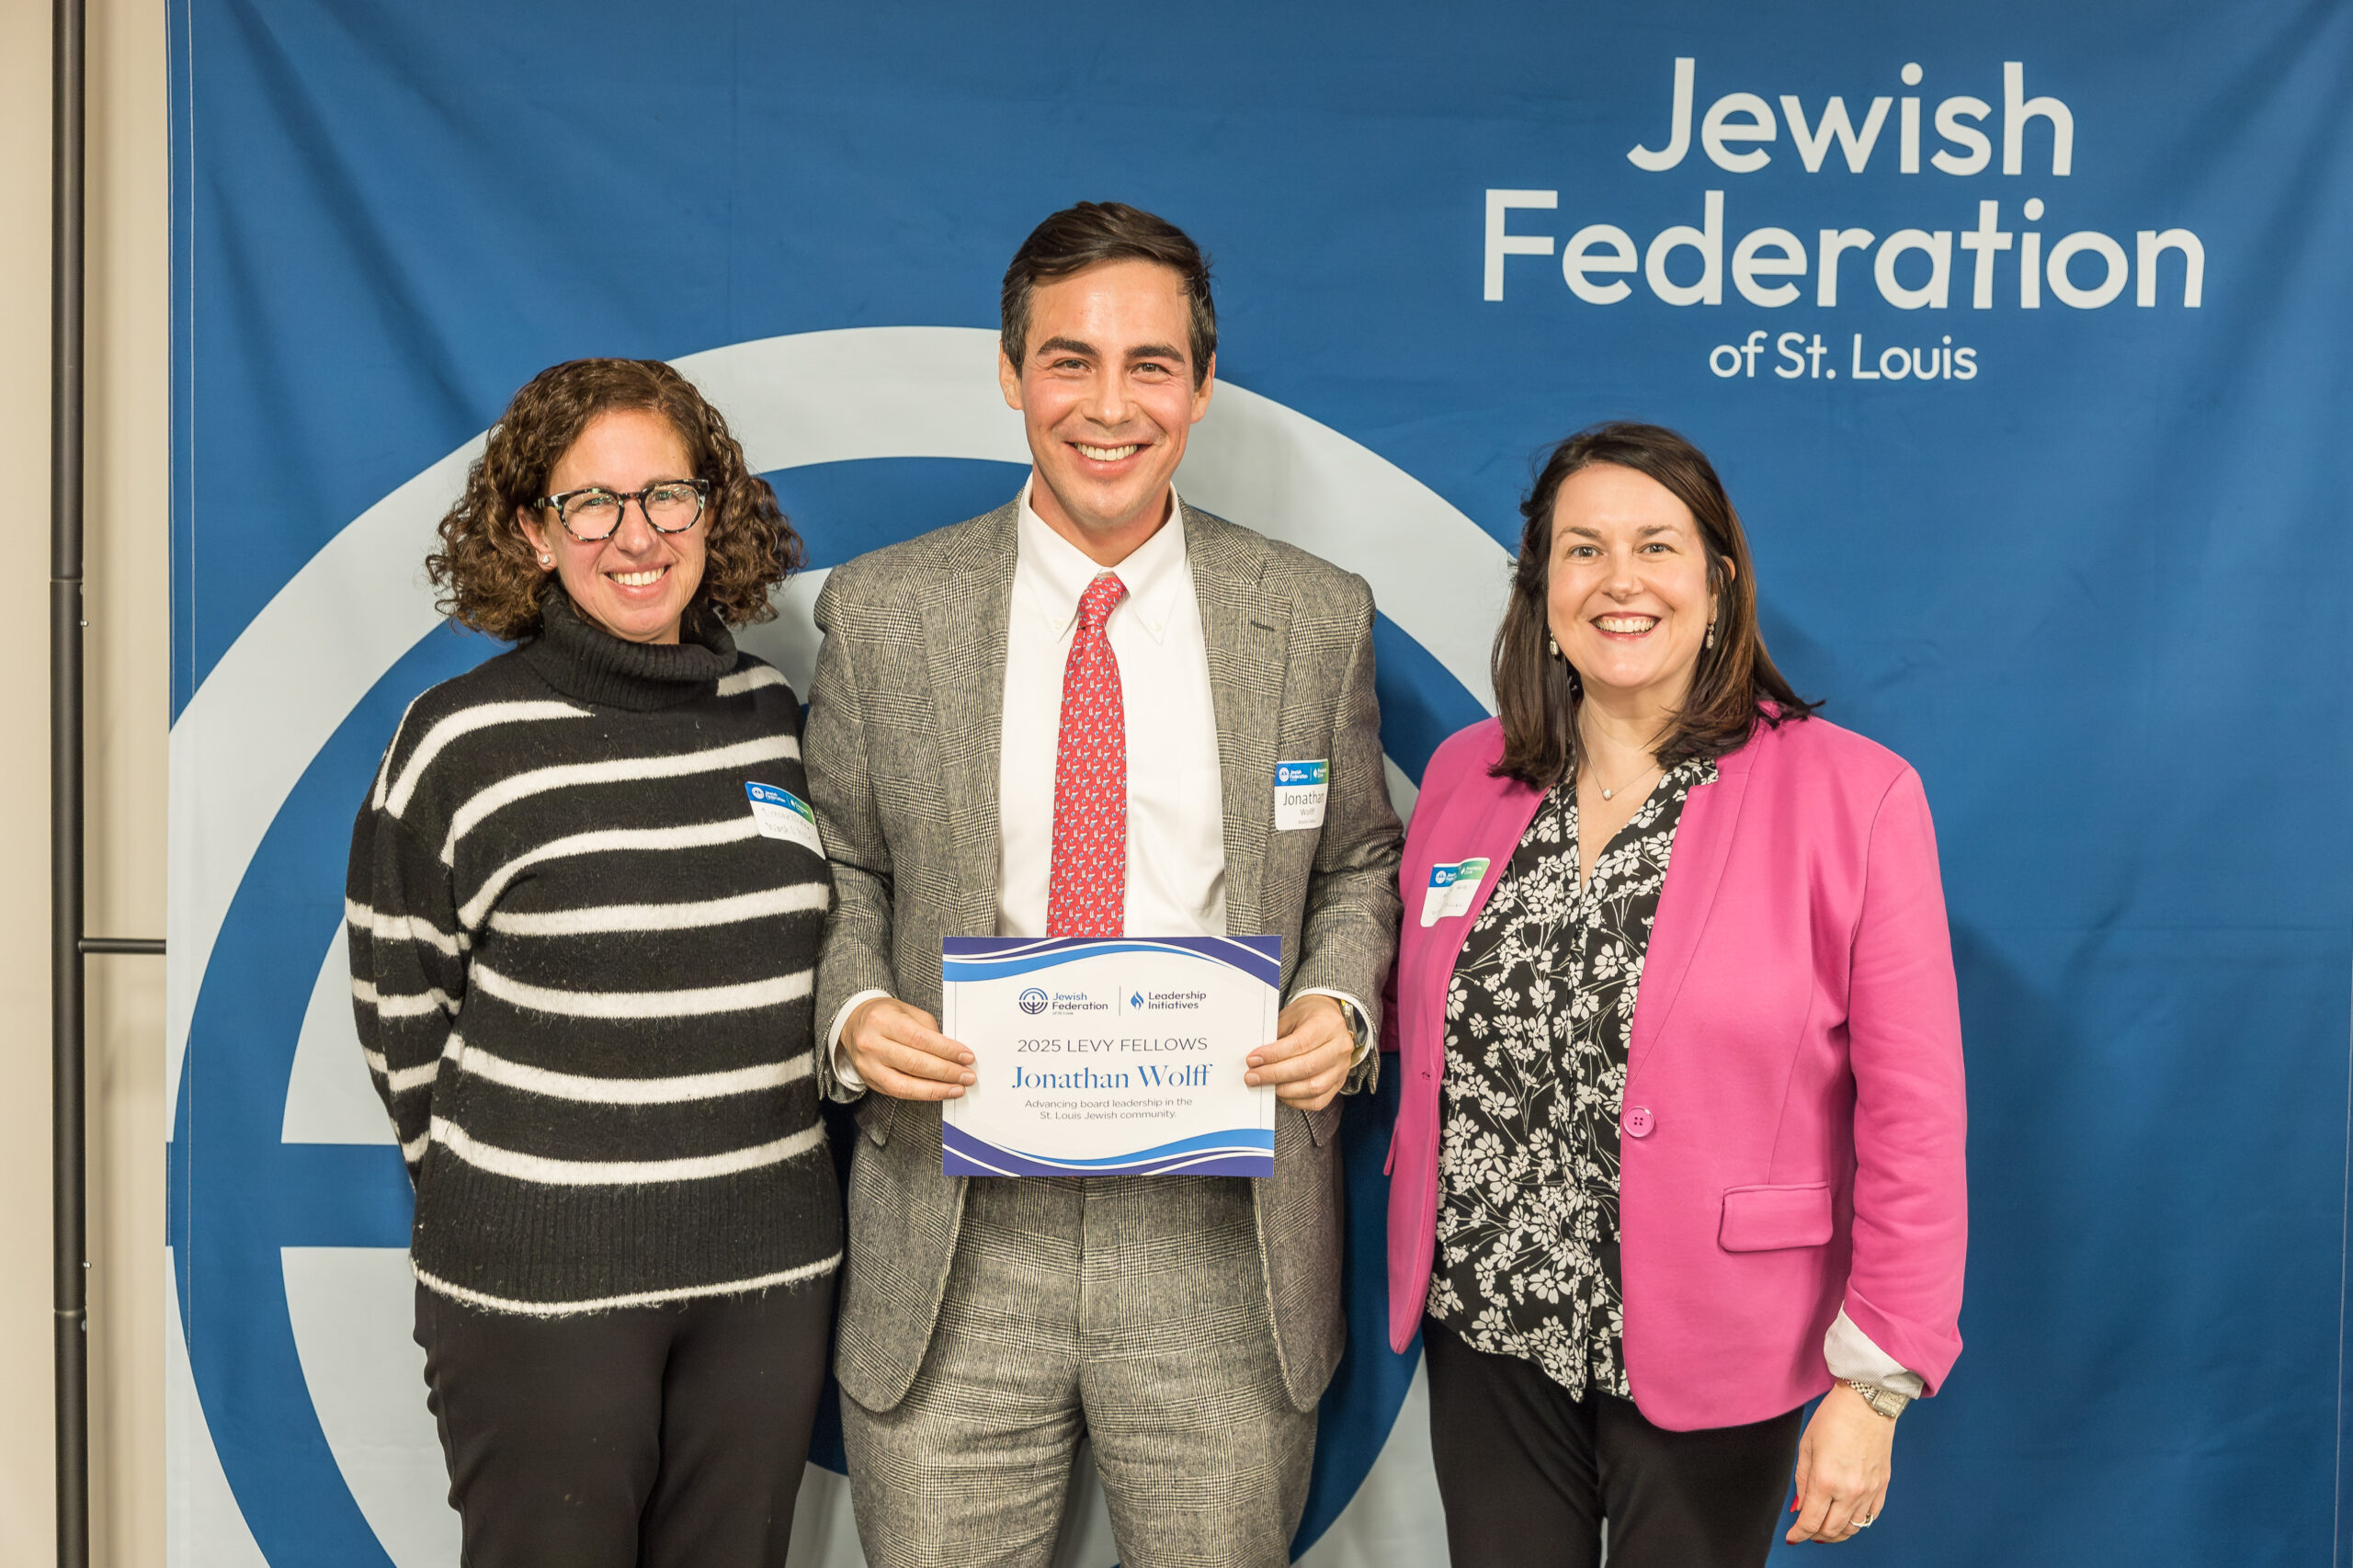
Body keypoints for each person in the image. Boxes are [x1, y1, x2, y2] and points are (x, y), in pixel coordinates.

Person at [802, 200, 1404, 1568]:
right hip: (951, 1228)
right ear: (1011, 373)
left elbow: (1359, 859)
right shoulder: (886, 610)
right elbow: (841, 856)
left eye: (1150, 364)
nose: (1110, 405)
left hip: (1222, 1232)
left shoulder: (1314, 614)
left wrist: (1338, 1005)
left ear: (1201, 385)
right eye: (1069, 360)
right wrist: (853, 1011)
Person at [1383, 422, 1967, 1566]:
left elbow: (1916, 1114)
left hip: (1721, 1335)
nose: (1620, 581)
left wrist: (1874, 1382)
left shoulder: (1854, 796)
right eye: (1582, 549)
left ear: (1719, 581)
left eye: (1656, 546)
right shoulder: (1466, 775)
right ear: (1539, 585)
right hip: (1488, 1321)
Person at [345, 358, 840, 1568]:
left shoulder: (772, 716)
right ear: (532, 528)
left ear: (712, 510)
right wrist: (520, 1200)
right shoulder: (458, 740)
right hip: (539, 1284)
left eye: (667, 494)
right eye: (591, 503)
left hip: (769, 1275)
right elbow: (400, 1006)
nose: (637, 535)